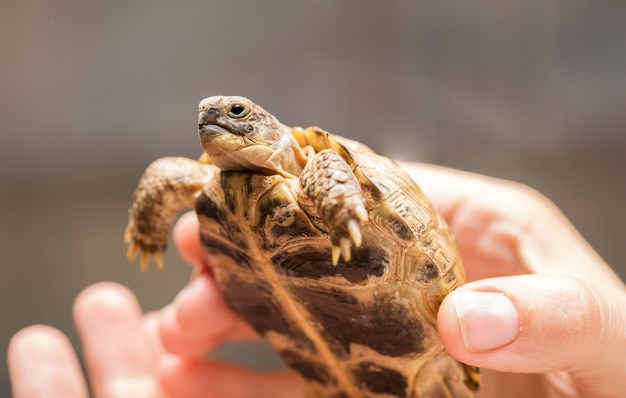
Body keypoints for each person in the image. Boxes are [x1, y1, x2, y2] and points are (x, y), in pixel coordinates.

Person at [8, 163, 626, 398]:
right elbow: (168, 178)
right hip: (316, 342)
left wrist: (336, 199)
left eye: (237, 115)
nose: (214, 120)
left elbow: (332, 167)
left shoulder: (321, 167)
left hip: (415, 319)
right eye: (210, 118)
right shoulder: (201, 183)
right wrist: (149, 223)